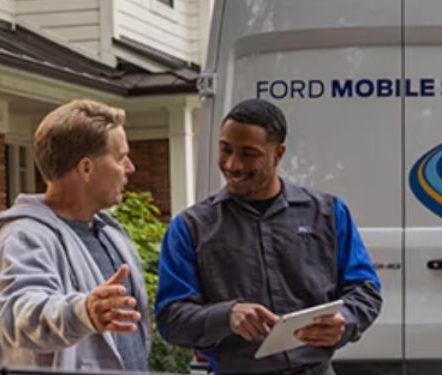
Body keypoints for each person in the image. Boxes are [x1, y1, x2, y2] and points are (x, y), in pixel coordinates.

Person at [156, 98, 382, 374]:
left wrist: (345, 319)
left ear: (278, 154)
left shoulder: (328, 213)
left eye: (249, 153)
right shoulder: (190, 228)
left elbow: (365, 289)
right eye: (225, 149)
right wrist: (226, 316)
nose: (233, 164)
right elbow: (170, 319)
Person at [0, 99, 149, 371]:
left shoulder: (110, 233)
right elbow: (21, 315)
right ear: (86, 168)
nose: (130, 168)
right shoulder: (23, 237)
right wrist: (83, 311)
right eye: (121, 157)